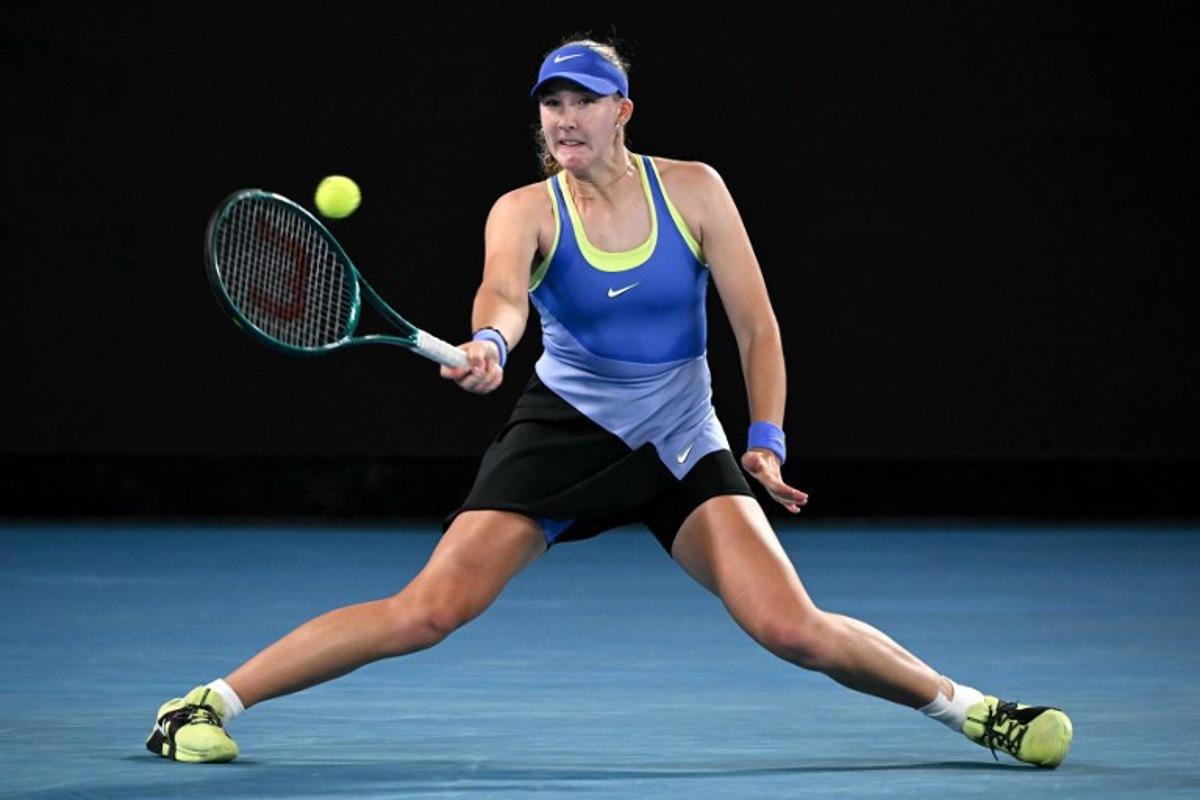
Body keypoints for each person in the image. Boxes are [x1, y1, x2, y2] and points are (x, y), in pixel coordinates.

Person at [147, 36, 1072, 768]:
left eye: (582, 99)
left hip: (679, 433)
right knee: (427, 612)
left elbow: (759, 329)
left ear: (622, 111)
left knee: (795, 629)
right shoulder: (525, 209)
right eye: (550, 103)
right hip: (566, 429)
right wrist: (491, 345)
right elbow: (502, 295)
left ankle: (976, 712)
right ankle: (204, 703)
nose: (562, 117)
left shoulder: (696, 190)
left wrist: (765, 442)